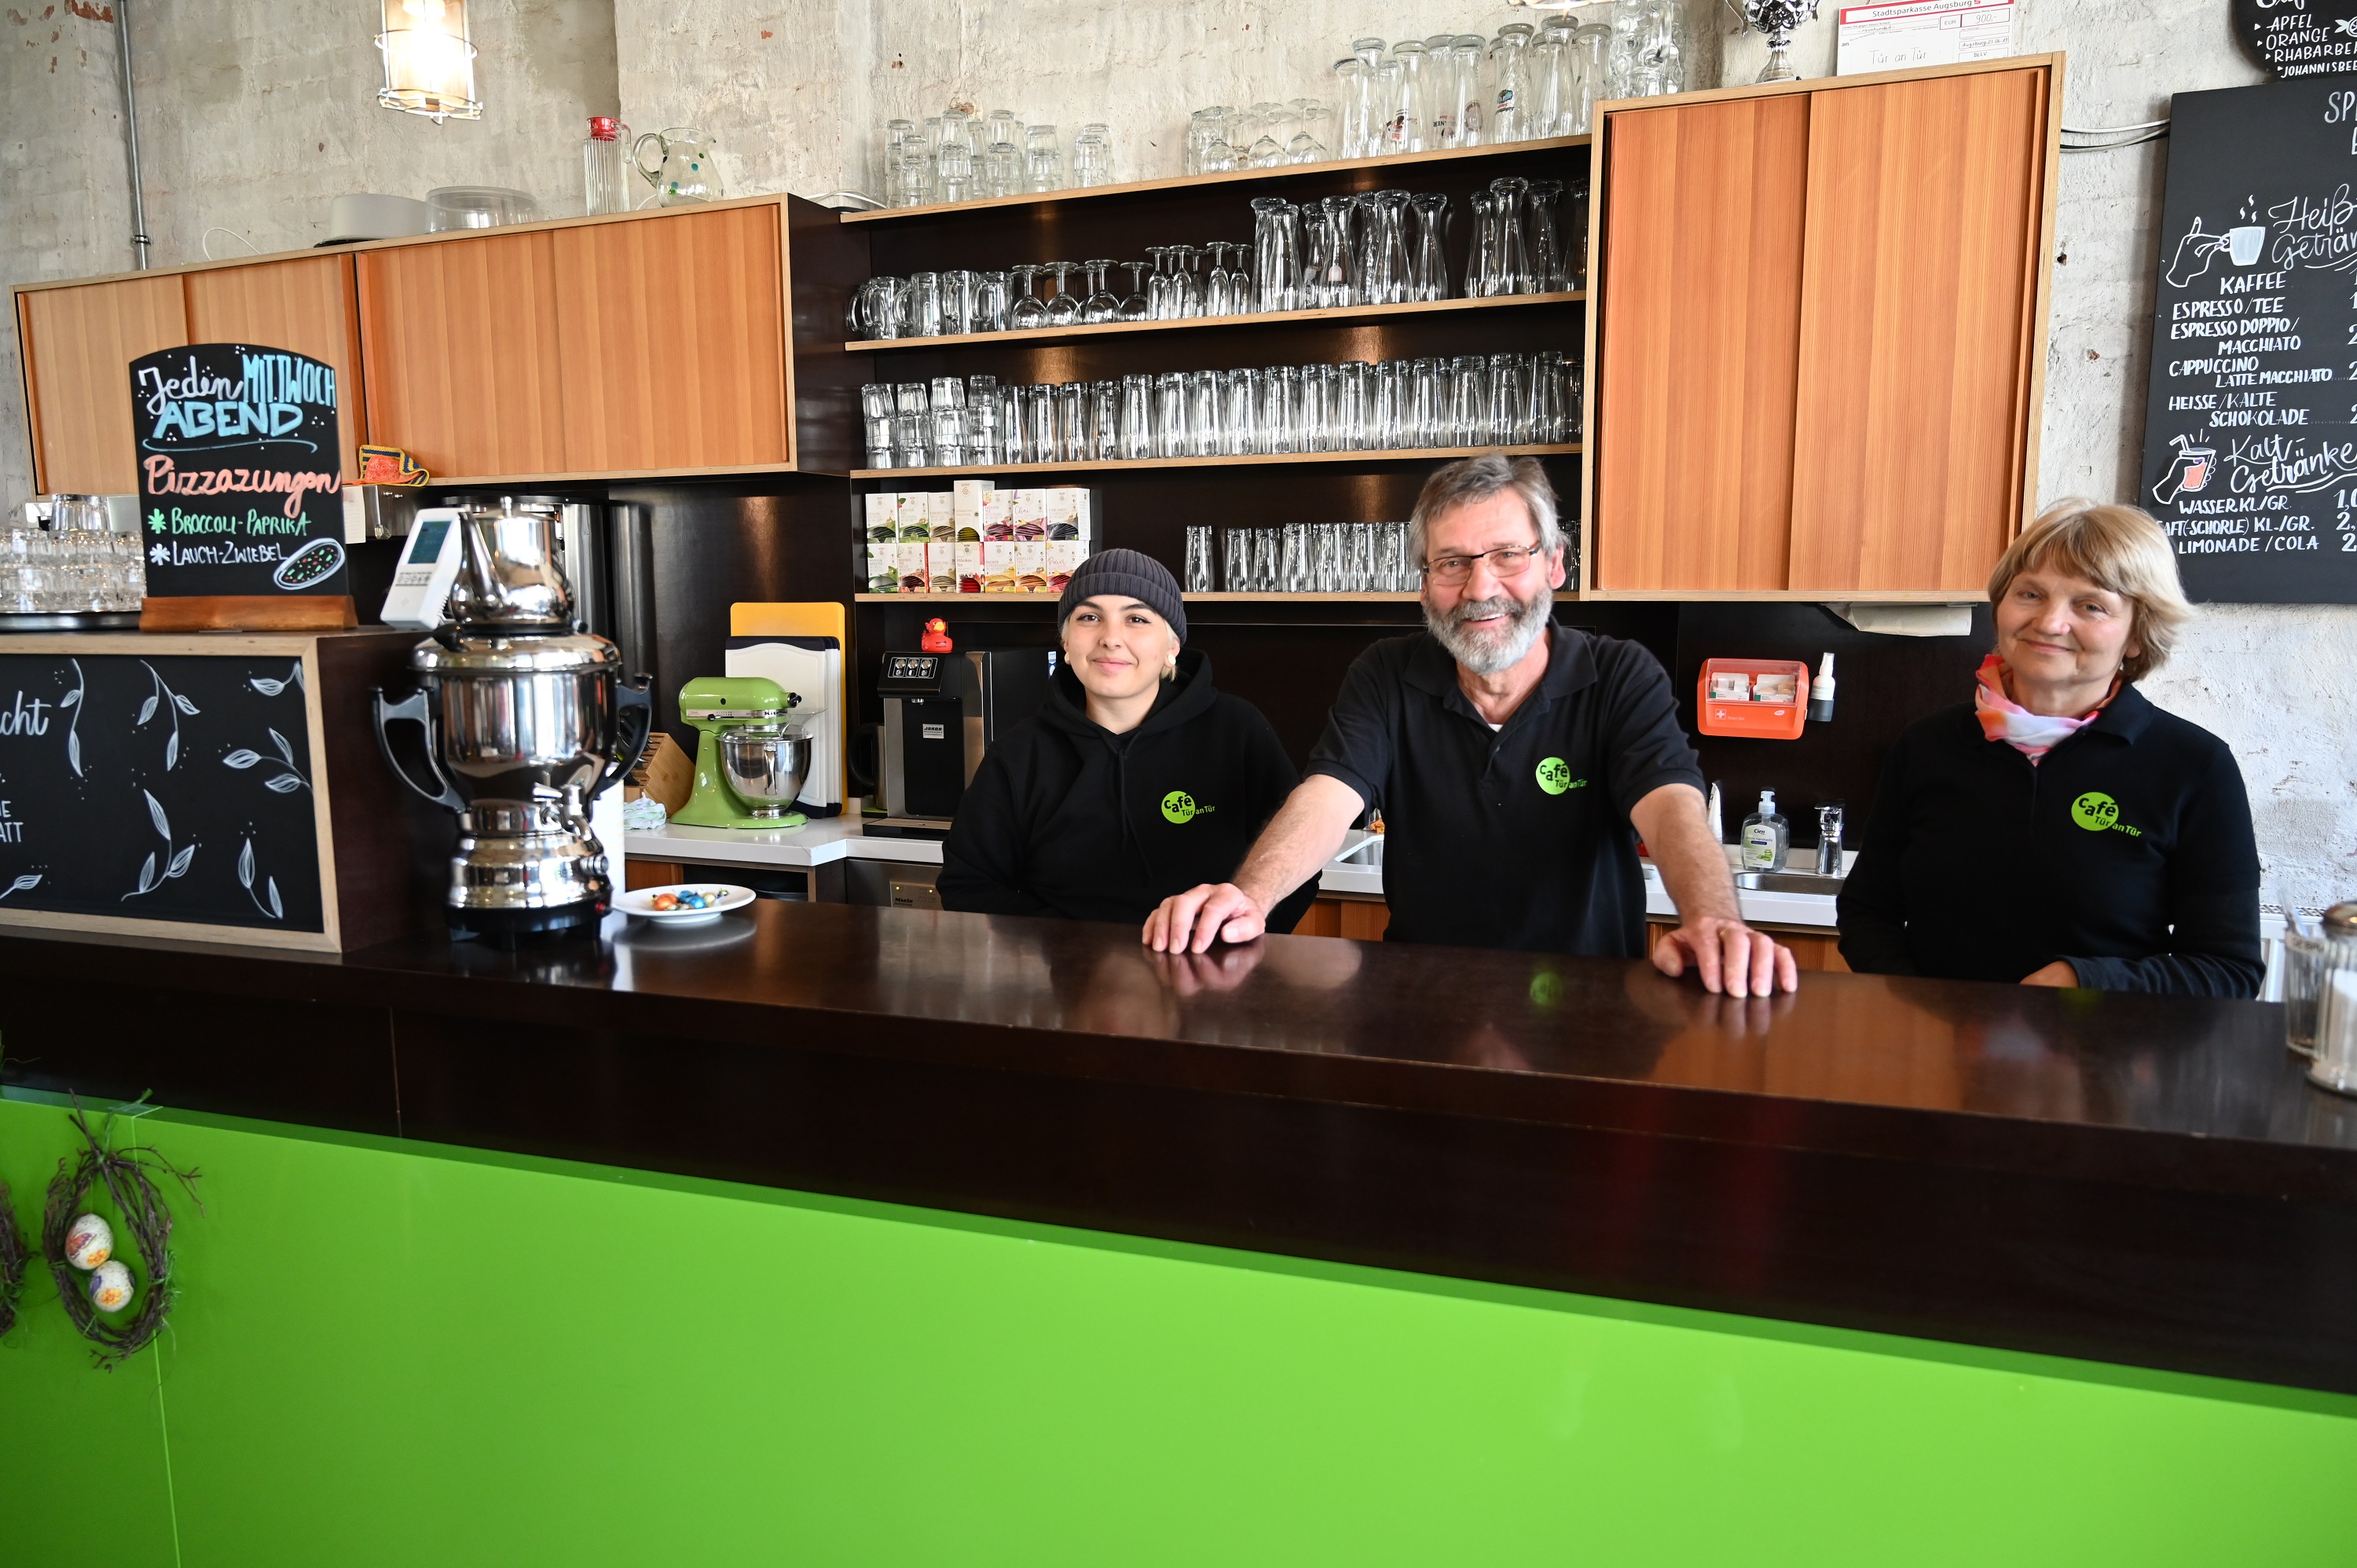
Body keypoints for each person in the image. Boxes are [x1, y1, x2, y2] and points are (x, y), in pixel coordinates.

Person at [1144, 453, 1798, 996]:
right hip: (1421, 1004)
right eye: (1452, 563)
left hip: (1590, 1007)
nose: (1481, 587)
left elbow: (1672, 807)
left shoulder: (1620, 675)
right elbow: (1327, 797)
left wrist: (1715, 922)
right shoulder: (1387, 673)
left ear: (1556, 565)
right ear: (1425, 585)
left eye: (1507, 555)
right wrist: (1249, 898)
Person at [1837, 499, 2260, 996]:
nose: (2050, 622)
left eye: (2091, 605)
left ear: (2136, 637)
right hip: (1937, 1060)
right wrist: (1925, 1009)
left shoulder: (2194, 765)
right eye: (2031, 594)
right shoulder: (1927, 746)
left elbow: (2228, 970)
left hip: (2103, 1063)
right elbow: (1868, 912)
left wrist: (2086, 980)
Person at [938, 548, 1319, 931]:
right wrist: (1079, 954)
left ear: (1172, 647)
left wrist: (1228, 942)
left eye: (1136, 619)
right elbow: (968, 886)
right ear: (1066, 644)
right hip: (1071, 981)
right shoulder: (1019, 754)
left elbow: (1297, 863)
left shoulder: (1238, 732)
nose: (1111, 638)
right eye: (1089, 617)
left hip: (1214, 973)